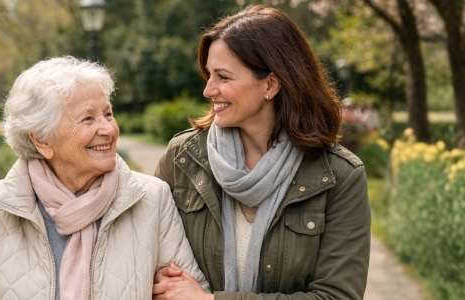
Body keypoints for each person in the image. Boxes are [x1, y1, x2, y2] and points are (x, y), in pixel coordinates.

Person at [152, 5, 370, 299]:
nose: (208, 90)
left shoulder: (339, 177)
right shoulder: (182, 159)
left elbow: (337, 296)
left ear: (271, 84)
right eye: (209, 76)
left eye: (223, 77)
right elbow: (146, 255)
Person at [0, 56, 208, 300]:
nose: (107, 129)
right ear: (42, 140)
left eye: (108, 114)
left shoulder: (152, 198)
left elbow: (187, 291)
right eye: (87, 118)